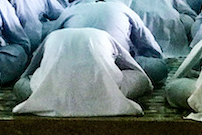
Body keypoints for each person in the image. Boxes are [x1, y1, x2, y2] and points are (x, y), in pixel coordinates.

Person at [12, 28, 151, 117]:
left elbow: (33, 65)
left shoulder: (53, 35)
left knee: (21, 85)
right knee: (141, 78)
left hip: (53, 95)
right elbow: (129, 63)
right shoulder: (102, 34)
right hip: (105, 93)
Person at [49, 0, 167, 85]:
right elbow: (149, 46)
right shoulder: (123, 9)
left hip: (67, 68)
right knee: (158, 68)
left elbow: (50, 39)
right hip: (113, 67)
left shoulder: (69, 11)